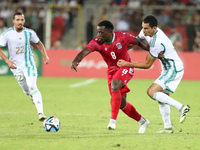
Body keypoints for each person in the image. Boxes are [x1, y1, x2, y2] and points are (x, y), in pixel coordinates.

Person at [71, 20, 150, 133]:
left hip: (126, 66)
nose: (98, 35)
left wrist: (152, 51)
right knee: (122, 103)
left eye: (101, 32)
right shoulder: (97, 42)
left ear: (109, 32)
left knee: (115, 86)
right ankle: (142, 121)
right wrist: (76, 61)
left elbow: (138, 42)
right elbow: (85, 51)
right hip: (112, 70)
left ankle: (112, 121)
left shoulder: (122, 37)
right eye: (98, 32)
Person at [117, 15, 190, 133]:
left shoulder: (157, 42)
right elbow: (135, 41)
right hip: (167, 68)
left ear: (154, 28)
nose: (143, 31)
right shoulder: (146, 32)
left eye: (146, 28)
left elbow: (147, 64)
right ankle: (168, 128)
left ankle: (181, 107)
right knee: (162, 99)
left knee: (151, 92)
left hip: (173, 68)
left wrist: (127, 63)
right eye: (143, 28)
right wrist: (123, 50)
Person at [0, 12, 49, 121]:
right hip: (16, 67)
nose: (20, 22)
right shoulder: (6, 34)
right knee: (27, 91)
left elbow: (39, 43)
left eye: (22, 20)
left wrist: (45, 55)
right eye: (17, 20)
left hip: (29, 63)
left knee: (32, 85)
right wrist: (8, 61)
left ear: (24, 21)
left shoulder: (30, 32)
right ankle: (31, 95)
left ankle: (41, 113)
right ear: (13, 21)